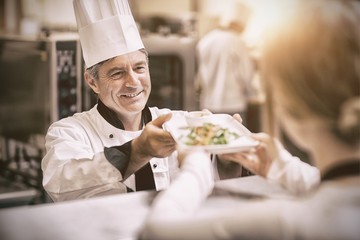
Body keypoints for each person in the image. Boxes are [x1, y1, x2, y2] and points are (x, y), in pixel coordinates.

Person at [41, 0, 315, 202]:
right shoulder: (69, 132)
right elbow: (60, 184)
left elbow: (213, 186)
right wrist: (138, 151)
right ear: (92, 81)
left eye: (139, 68)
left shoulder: (179, 122)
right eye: (117, 72)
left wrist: (229, 159)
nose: (133, 82)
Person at [139, 0, 360, 239]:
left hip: (211, 99)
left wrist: (196, 167)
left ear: (287, 105)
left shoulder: (286, 223)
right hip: (234, 100)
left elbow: (155, 233)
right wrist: (286, 169)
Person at [196, 1, 260, 125]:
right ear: (240, 25)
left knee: (210, 138)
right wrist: (253, 93)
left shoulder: (205, 41)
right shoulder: (238, 42)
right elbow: (246, 75)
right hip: (233, 105)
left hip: (208, 104)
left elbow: (200, 75)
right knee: (235, 140)